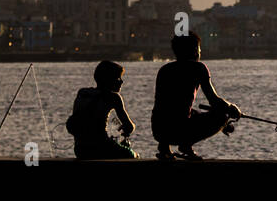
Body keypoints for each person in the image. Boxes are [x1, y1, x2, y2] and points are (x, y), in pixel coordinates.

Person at [151, 32, 241, 160]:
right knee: (221, 115)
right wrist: (231, 108)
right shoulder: (199, 68)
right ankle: (185, 145)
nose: (200, 52)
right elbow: (214, 100)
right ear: (194, 51)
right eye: (199, 49)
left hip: (159, 130)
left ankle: (164, 147)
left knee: (177, 112)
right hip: (180, 131)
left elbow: (167, 105)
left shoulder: (164, 70)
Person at [67, 60, 137, 160]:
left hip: (80, 150)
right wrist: (125, 129)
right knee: (131, 155)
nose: (121, 81)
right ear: (109, 79)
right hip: (102, 148)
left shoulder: (83, 93)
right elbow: (129, 127)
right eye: (118, 78)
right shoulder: (114, 97)